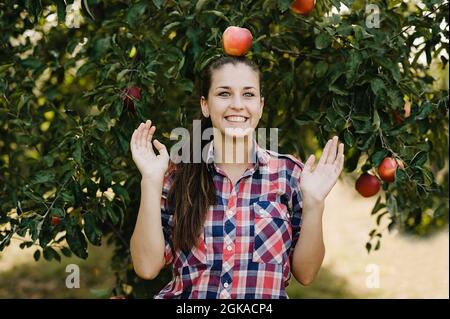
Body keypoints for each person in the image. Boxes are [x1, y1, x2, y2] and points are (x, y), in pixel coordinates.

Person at [129, 56, 344, 299]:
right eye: (224, 94)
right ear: (205, 105)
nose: (237, 104)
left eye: (248, 94)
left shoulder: (290, 174)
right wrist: (150, 180)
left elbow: (306, 273)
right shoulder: (177, 175)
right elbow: (146, 267)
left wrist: (315, 204)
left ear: (261, 106)